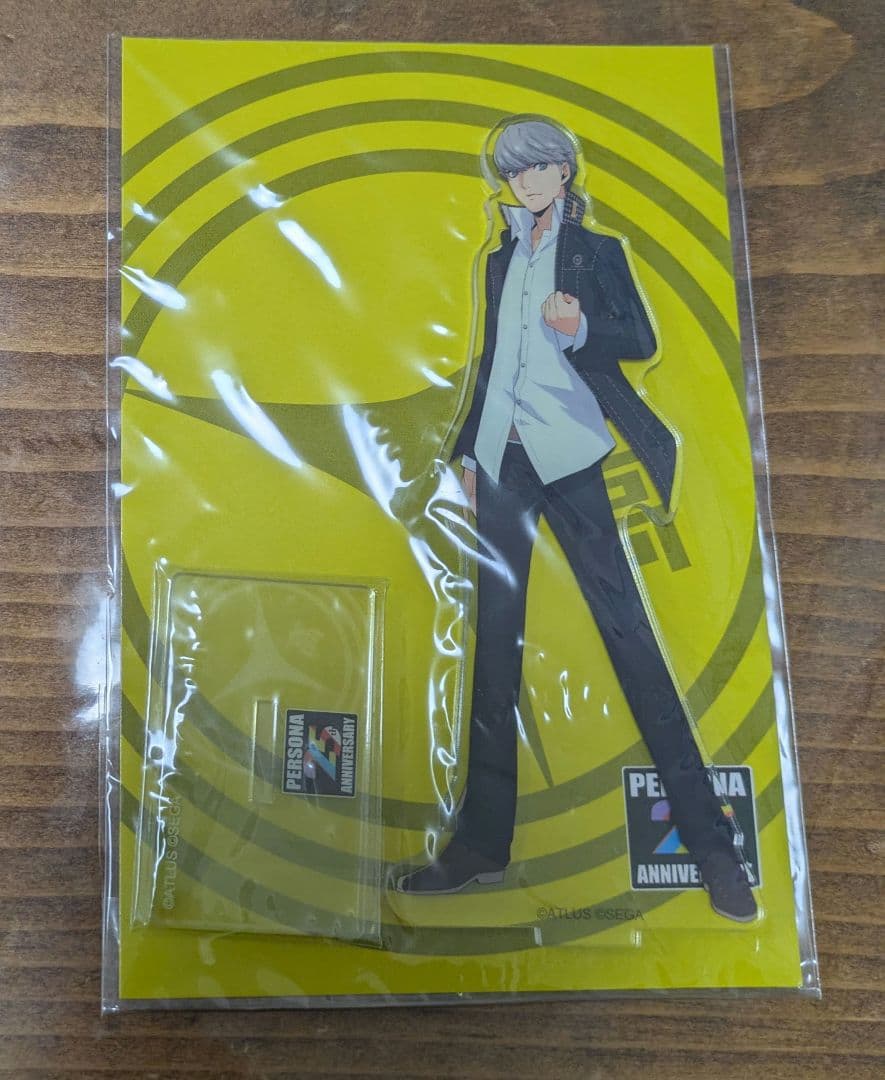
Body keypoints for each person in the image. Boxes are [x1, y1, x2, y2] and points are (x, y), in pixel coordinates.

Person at [396, 119, 757, 922]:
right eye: (513, 172)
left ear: (563, 172)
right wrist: (468, 453)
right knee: (493, 650)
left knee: (631, 638)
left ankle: (712, 850)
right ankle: (479, 849)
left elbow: (638, 337)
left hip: (571, 457)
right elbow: (493, 361)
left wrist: (579, 330)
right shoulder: (498, 258)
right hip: (501, 460)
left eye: (537, 169)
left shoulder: (597, 254)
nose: (524, 183)